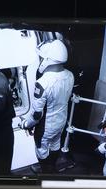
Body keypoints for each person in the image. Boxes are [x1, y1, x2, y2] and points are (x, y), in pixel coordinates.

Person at [14, 39, 75, 174]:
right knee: (55, 144)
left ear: (48, 59)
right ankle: (52, 170)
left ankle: (47, 174)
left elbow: (37, 115)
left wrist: (26, 124)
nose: (40, 60)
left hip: (46, 127)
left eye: (41, 57)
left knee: (41, 150)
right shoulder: (70, 75)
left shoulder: (42, 82)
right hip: (61, 121)